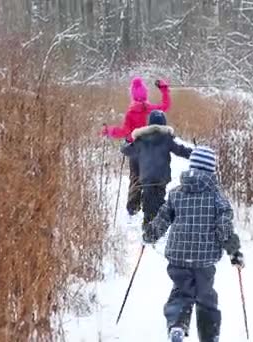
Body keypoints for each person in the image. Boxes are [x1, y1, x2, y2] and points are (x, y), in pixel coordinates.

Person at [142, 146, 245, 342]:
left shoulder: (176, 193)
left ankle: (177, 325)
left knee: (181, 291)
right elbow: (224, 227)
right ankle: (209, 335)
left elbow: (163, 218)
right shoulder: (217, 198)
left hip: (178, 255)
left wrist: (150, 234)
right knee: (206, 296)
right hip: (205, 259)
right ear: (211, 170)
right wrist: (234, 251)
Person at [102, 77, 171, 216]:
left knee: (135, 176)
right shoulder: (150, 110)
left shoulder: (131, 113)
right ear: (145, 94)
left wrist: (109, 131)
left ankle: (133, 205)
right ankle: (151, 201)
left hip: (135, 149)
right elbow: (165, 106)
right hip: (151, 149)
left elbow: (125, 131)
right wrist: (164, 90)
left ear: (133, 95)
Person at [120, 110, 192, 226]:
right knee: (157, 203)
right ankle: (154, 229)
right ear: (164, 123)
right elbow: (181, 150)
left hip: (146, 178)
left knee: (150, 205)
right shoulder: (166, 138)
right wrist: (196, 153)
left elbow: (126, 150)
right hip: (161, 179)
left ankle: (150, 229)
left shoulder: (141, 139)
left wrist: (125, 142)